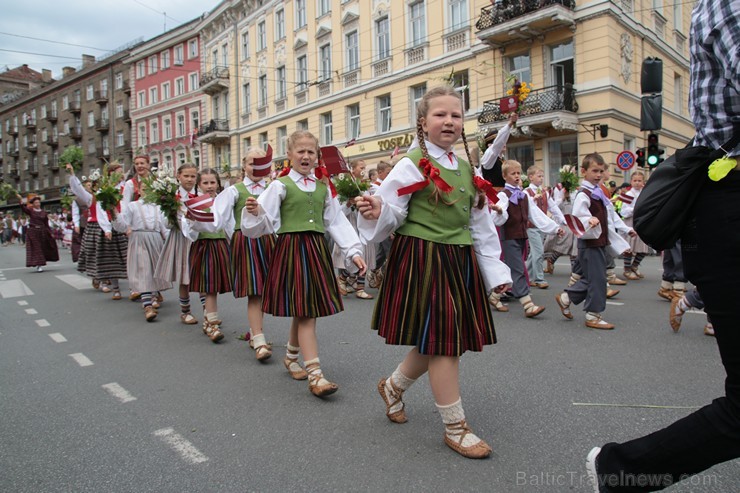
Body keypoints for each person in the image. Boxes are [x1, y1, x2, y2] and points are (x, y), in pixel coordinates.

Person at [586, 2, 739, 489]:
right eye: (600, 172)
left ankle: (621, 471)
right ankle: (623, 471)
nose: (604, 176)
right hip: (728, 208)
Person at [356, 86, 512, 459]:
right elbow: (394, 209)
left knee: (438, 338)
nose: (449, 121)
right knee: (446, 343)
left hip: (458, 261)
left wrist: (495, 269)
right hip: (423, 258)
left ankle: (393, 387)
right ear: (423, 122)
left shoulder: (465, 167)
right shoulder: (411, 163)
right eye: (440, 115)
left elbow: (479, 222)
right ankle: (455, 427)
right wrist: (378, 210)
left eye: (456, 115)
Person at [242, 130, 366, 397]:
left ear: (317, 155)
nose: (306, 156)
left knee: (305, 309)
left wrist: (353, 252)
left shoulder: (323, 187)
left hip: (316, 250)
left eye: (311, 151)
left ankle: (291, 356)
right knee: (307, 312)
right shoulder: (280, 185)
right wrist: (254, 212)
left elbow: (336, 222)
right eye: (301, 151)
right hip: (291, 251)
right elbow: (264, 223)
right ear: (290, 155)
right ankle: (315, 374)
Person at [555, 153, 635, 330]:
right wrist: (588, 220)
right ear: (584, 171)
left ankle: (566, 298)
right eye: (594, 171)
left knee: (592, 278)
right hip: (590, 242)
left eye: (601, 171)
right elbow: (577, 216)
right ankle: (593, 315)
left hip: (599, 242)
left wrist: (626, 229)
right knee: (598, 279)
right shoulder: (584, 194)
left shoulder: (598, 192)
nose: (598, 174)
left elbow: (611, 215)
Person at [213, 149, 275, 360]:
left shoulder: (272, 188)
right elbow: (219, 219)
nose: (256, 167)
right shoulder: (234, 191)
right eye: (251, 163)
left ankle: (255, 332)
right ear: (244, 166)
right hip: (247, 241)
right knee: (255, 290)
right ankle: (258, 338)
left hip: (268, 240)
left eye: (260, 163)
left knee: (266, 289)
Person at [494, 159, 564, 317]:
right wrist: (499, 211)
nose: (517, 176)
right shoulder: (503, 195)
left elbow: (537, 216)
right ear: (505, 176)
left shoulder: (524, 196)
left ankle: (494, 296)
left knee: (512, 268)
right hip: (509, 237)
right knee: (519, 269)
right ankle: (528, 305)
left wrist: (555, 227)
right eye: (513, 173)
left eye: (519, 173)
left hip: (521, 237)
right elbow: (499, 217)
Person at [182, 168, 233, 343]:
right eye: (206, 182)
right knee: (210, 287)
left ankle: (207, 320)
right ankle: (212, 325)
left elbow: (229, 226)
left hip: (220, 245)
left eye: (213, 182)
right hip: (203, 246)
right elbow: (190, 234)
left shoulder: (222, 202)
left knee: (215, 286)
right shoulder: (194, 203)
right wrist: (192, 221)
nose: (210, 186)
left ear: (218, 183)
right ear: (199, 185)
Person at [67, 162, 128, 299]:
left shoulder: (125, 188)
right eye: (118, 171)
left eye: (122, 171)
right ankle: (106, 282)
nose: (121, 174)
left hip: (122, 226)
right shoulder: (97, 195)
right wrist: (72, 174)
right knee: (104, 257)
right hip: (101, 227)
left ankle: (134, 287)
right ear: (111, 174)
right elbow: (79, 192)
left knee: (125, 258)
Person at [111, 181, 171, 322]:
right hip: (139, 239)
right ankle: (147, 305)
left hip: (155, 239)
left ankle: (155, 293)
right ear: (139, 190)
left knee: (155, 269)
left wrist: (169, 242)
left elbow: (164, 228)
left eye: (150, 189)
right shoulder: (133, 206)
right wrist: (114, 212)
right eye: (144, 188)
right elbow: (122, 225)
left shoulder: (159, 208)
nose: (147, 191)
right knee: (143, 270)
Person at [154, 163, 200, 325]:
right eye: (186, 176)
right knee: (184, 276)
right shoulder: (171, 197)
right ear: (178, 176)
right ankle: (185, 311)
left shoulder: (199, 195)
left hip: (197, 238)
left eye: (193, 176)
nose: (189, 179)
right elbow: (164, 223)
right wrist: (171, 215)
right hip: (180, 238)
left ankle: (208, 310)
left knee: (202, 273)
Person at [335, 159, 374, 300]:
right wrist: (349, 202)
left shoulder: (366, 186)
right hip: (351, 224)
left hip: (363, 223)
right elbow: (337, 212)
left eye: (365, 167)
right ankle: (344, 278)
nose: (364, 169)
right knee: (355, 253)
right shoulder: (344, 186)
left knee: (364, 255)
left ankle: (357, 286)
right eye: (361, 167)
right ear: (353, 169)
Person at [524, 165, 566, 289]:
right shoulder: (526, 192)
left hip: (543, 227)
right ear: (530, 177)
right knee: (539, 252)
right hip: (531, 226)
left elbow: (553, 207)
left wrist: (562, 219)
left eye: (542, 176)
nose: (541, 179)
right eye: (539, 176)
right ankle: (539, 278)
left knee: (534, 253)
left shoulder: (544, 192)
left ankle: (528, 276)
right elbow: (526, 206)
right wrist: (533, 199)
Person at [618, 171, 649, 280]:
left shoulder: (644, 193)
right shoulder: (628, 194)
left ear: (643, 182)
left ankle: (634, 266)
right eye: (635, 180)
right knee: (629, 248)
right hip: (631, 221)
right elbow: (623, 211)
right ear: (631, 181)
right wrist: (635, 208)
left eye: (639, 180)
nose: (637, 183)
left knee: (643, 248)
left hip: (641, 222)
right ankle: (627, 270)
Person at [16, 194, 59, 272]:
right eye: (36, 203)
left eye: (39, 202)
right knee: (37, 248)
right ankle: (39, 265)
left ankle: (41, 262)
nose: (38, 204)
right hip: (33, 232)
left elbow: (46, 224)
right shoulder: (31, 210)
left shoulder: (44, 213)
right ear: (33, 204)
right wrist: (21, 200)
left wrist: (50, 232)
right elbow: (23, 208)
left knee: (42, 247)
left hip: (42, 231)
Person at [480, 113, 518, 188]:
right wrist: (510, 124)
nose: (503, 143)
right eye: (501, 142)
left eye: (504, 141)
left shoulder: (501, 159)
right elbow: (497, 146)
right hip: (493, 196)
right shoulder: (489, 157)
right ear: (489, 145)